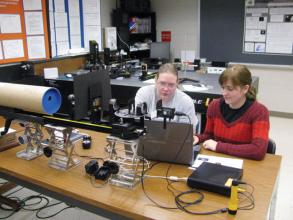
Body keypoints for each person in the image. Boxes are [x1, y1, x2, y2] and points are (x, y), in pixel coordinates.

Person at [193, 64, 269, 160]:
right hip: (218, 160)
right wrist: (198, 138)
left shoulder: (260, 112)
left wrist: (218, 146)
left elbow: (258, 150)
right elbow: (209, 135)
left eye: (230, 89)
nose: (224, 93)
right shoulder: (214, 106)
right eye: (223, 87)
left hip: (245, 163)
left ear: (245, 89)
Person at [135, 63, 198, 133]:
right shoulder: (144, 93)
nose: (166, 89)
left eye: (171, 85)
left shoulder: (185, 101)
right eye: (162, 83)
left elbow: (190, 132)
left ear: (177, 83)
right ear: (156, 80)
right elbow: (137, 123)